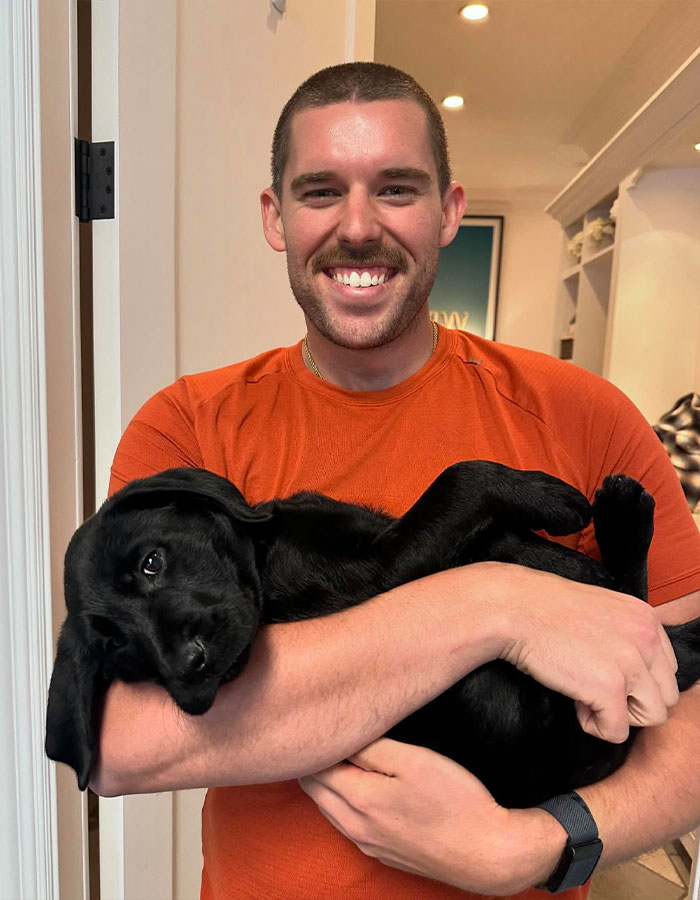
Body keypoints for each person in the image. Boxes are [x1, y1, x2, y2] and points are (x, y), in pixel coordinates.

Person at [91, 63, 700, 900]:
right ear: (275, 217)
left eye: (397, 189)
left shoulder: (585, 414)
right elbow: (121, 739)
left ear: (449, 210)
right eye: (319, 191)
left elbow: (692, 709)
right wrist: (496, 607)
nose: (357, 226)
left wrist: (537, 846)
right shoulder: (189, 432)